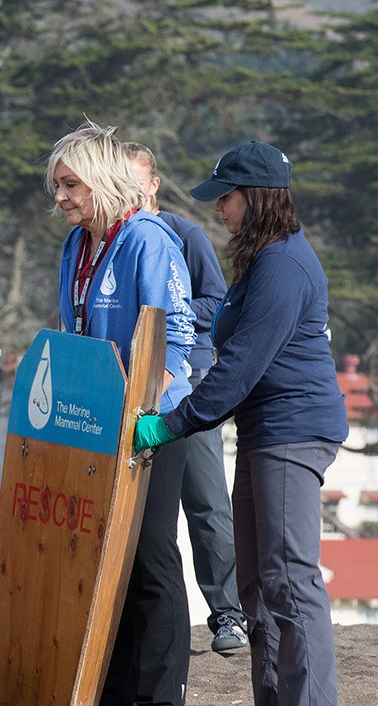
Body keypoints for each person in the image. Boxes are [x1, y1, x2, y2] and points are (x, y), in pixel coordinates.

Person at [136, 140, 348, 706]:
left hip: (293, 431)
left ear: (254, 197)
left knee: (289, 579)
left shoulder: (284, 266)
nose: (219, 209)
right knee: (257, 583)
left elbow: (242, 369)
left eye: (225, 197)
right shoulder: (262, 261)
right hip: (264, 433)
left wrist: (172, 424)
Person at [47, 122, 196, 706]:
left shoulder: (147, 240)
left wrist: (145, 416)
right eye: (55, 186)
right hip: (98, 421)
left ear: (102, 182)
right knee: (106, 554)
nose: (59, 197)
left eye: (70, 184)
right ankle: (111, 698)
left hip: (153, 422)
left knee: (152, 556)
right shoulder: (77, 246)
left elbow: (177, 339)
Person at [126, 143, 248, 654]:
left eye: (135, 181)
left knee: (204, 499)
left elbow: (214, 299)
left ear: (153, 183)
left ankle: (228, 614)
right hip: (129, 385)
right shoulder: (110, 240)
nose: (127, 191)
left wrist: (158, 312)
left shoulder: (181, 232)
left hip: (186, 380)